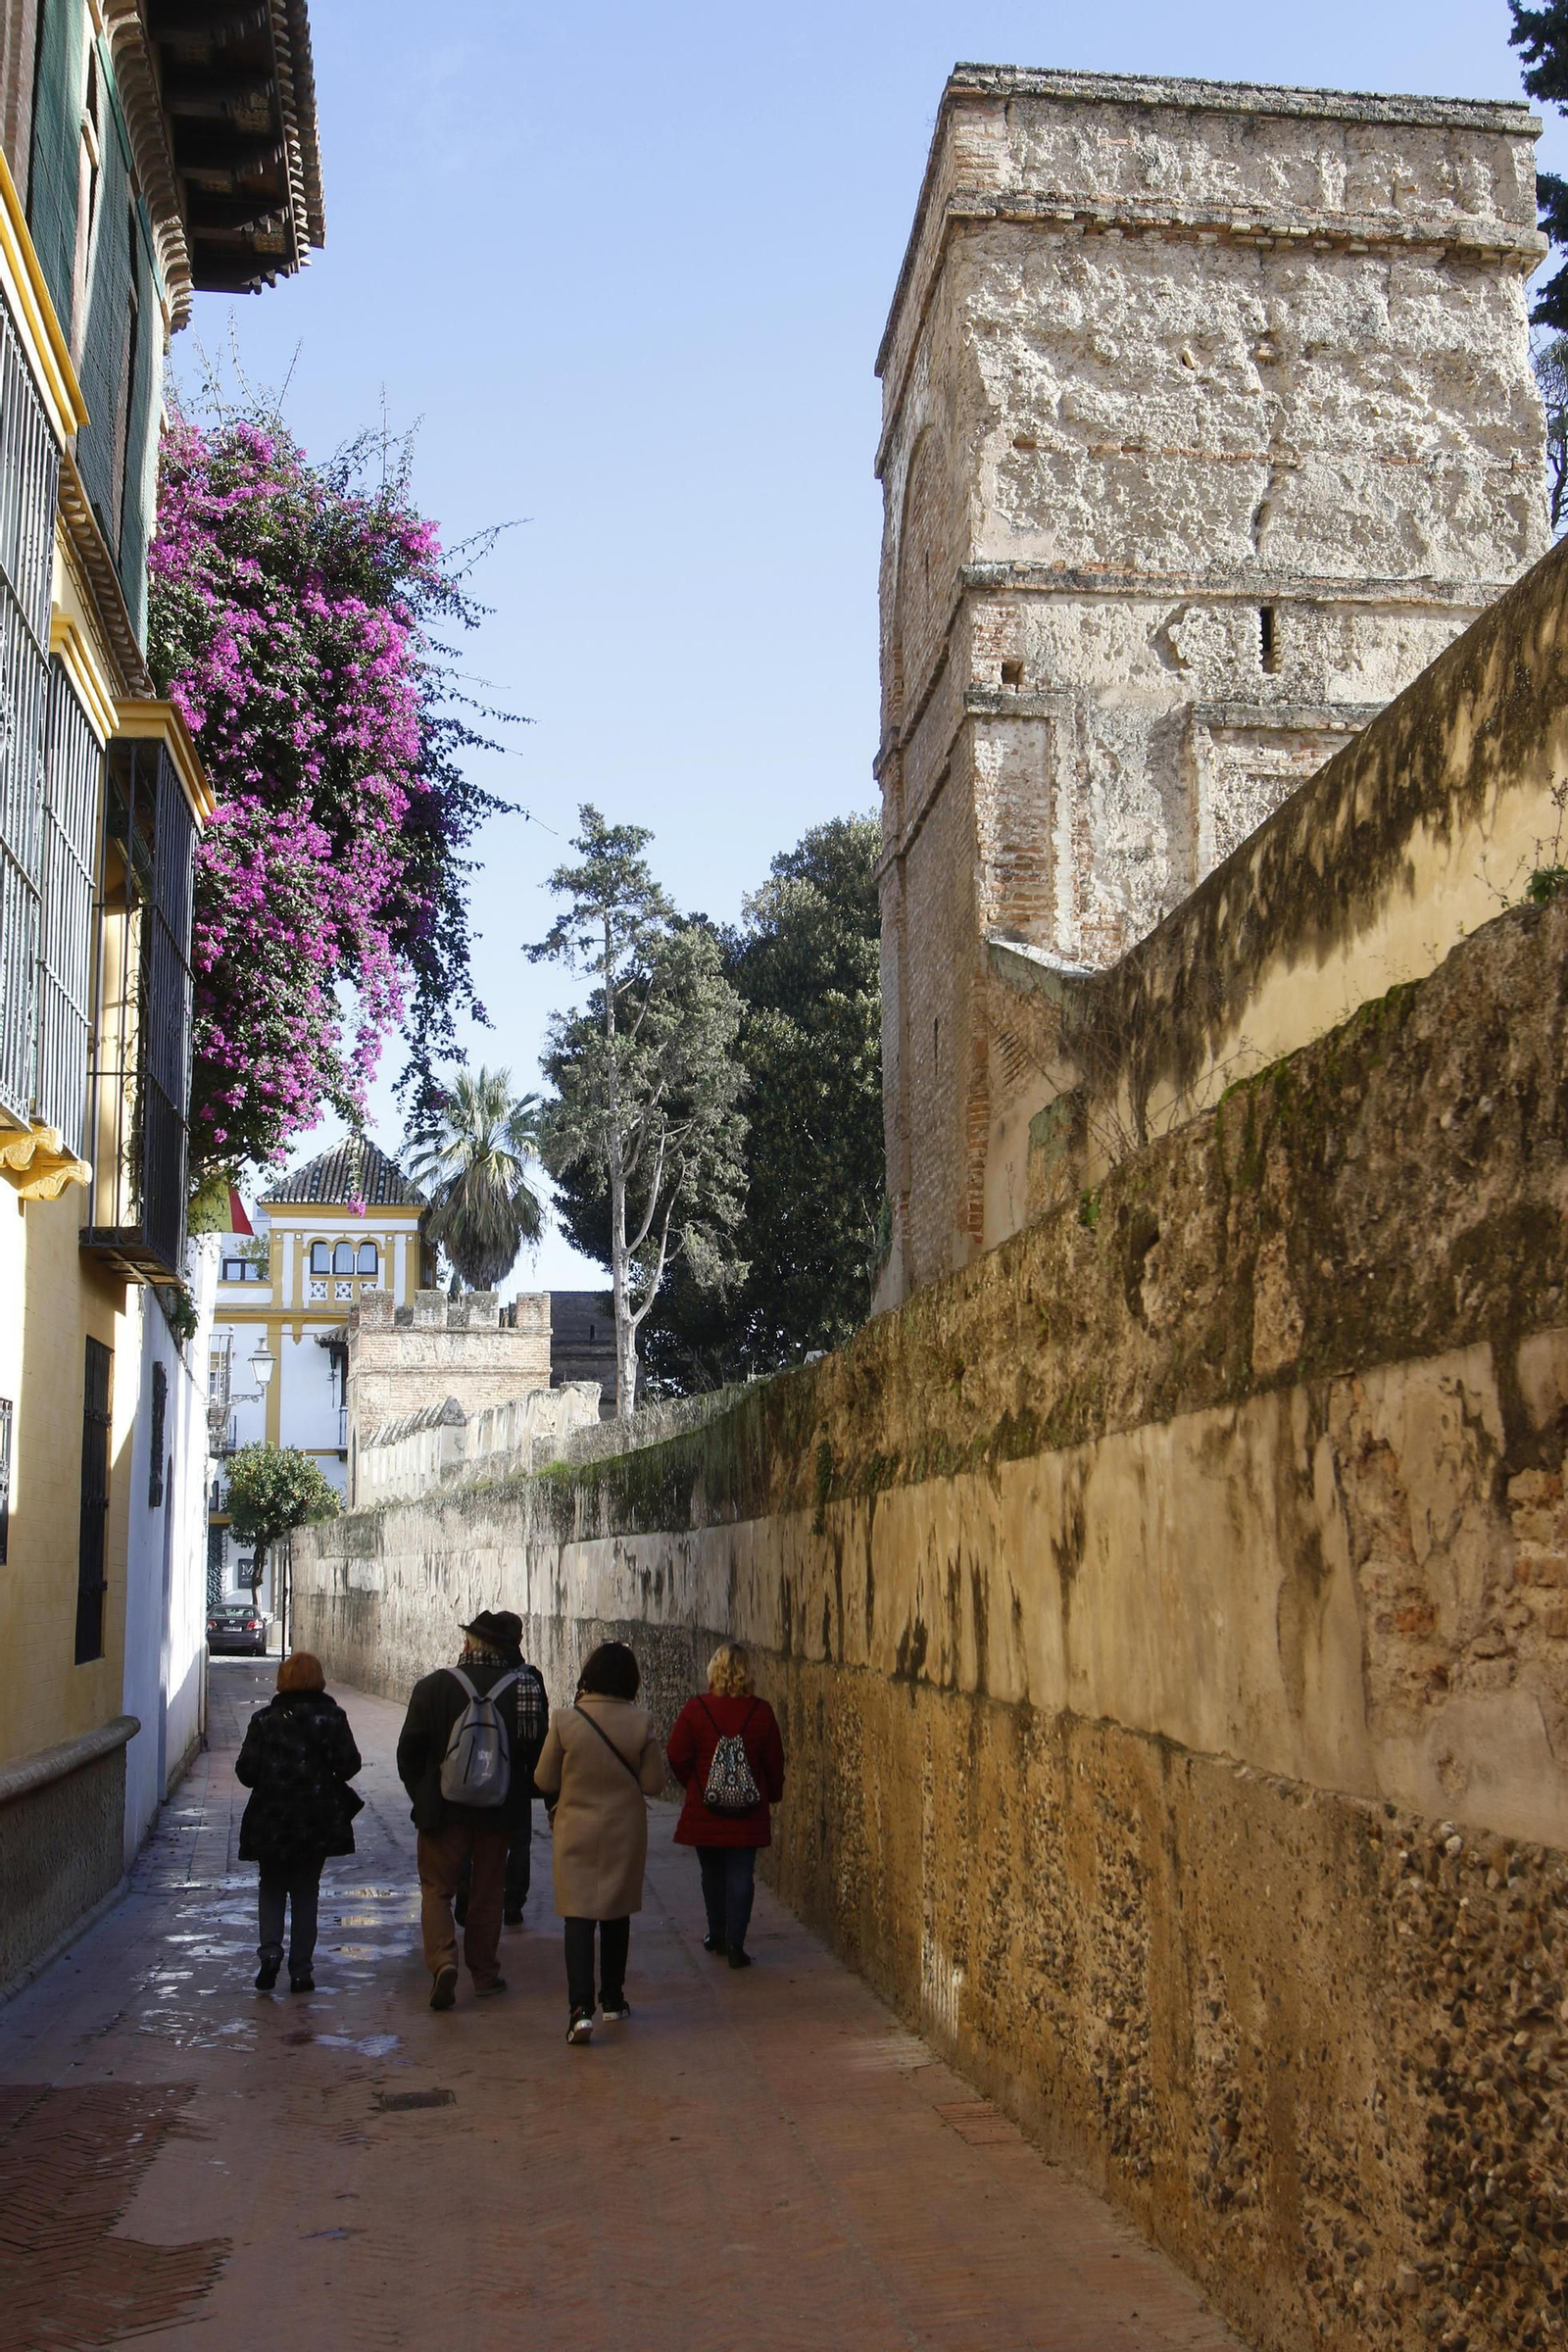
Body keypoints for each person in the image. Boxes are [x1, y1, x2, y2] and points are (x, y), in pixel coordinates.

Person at [396, 1608, 550, 2011]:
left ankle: (444, 1960)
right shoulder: (525, 1688)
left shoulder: (433, 1687)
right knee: (487, 1893)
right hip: (499, 1810)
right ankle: (485, 1974)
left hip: (443, 1811)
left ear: (467, 1644)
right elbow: (537, 1751)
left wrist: (424, 1795)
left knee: (436, 1889)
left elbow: (408, 1752)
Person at [532, 1640, 663, 2045]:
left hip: (575, 1829)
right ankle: (613, 1998)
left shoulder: (565, 1721)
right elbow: (654, 1784)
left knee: (578, 1915)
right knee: (615, 1913)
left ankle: (579, 2010)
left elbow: (544, 1780)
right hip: (624, 1831)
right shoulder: (641, 1723)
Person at [235, 1649, 363, 1994]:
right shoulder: (332, 1718)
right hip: (316, 1817)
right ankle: (301, 1972)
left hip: (271, 1818)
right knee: (307, 1892)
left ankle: (270, 1953)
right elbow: (350, 1765)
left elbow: (246, 1773)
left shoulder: (264, 1720)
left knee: (272, 1886)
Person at [666, 1642, 785, 1970]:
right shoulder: (760, 1712)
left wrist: (693, 1784)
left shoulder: (696, 1709)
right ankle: (736, 1943)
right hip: (747, 1812)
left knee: (712, 1873)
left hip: (707, 1810)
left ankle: (715, 1933)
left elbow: (676, 1754)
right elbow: (773, 1761)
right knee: (741, 1874)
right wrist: (772, 1793)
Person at [452, 1611, 547, 1929]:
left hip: (469, 1771)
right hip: (514, 1774)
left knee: (468, 1835)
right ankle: (513, 1901)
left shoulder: (457, 1680)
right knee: (518, 1839)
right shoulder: (528, 1678)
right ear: (518, 1639)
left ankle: (467, 1887)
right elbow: (538, 1733)